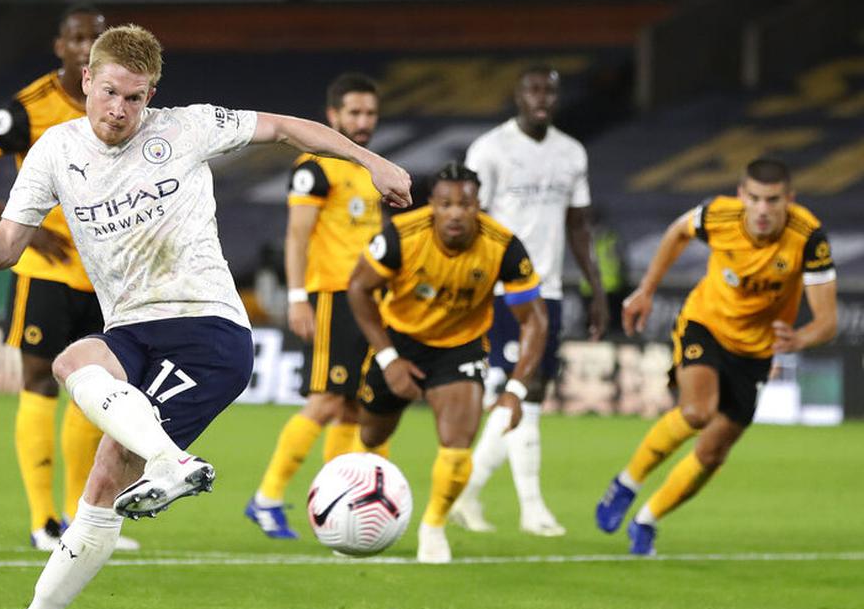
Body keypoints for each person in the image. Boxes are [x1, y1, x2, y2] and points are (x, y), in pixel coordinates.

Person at [0, 24, 411, 609]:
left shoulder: (188, 127)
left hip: (209, 333)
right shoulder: (53, 150)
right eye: (111, 93)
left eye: (136, 97)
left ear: (153, 94)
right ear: (87, 81)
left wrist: (370, 160)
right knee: (76, 385)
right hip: (131, 329)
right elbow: (6, 245)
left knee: (100, 451)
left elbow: (290, 128)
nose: (120, 110)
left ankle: (152, 478)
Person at [0, 5, 131, 551]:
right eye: (77, 38)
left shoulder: (125, 107)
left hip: (105, 275)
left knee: (97, 391)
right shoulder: (30, 107)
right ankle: (43, 520)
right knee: (40, 382)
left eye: (97, 37)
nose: (86, 45)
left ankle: (81, 517)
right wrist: (18, 226)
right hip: (44, 272)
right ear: (60, 47)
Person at [595, 158, 837, 555]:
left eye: (772, 200)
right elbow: (677, 232)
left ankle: (646, 520)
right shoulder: (718, 215)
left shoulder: (808, 237)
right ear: (742, 195)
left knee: (712, 452)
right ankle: (626, 483)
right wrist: (647, 289)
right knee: (697, 412)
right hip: (705, 325)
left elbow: (826, 321)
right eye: (755, 198)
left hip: (756, 351)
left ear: (788, 200)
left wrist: (800, 338)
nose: (762, 209)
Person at [346, 162, 547, 564]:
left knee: (458, 444)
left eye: (465, 204)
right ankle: (357, 519)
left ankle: (434, 526)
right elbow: (358, 288)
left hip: (461, 346)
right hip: (400, 340)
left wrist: (516, 389)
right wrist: (389, 359)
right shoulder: (402, 235)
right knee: (370, 436)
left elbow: (535, 321)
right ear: (433, 206)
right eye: (446, 204)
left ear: (479, 206)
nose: (455, 213)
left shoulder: (504, 246)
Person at [449, 64, 606, 537]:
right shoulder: (491, 150)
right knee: (522, 390)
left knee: (525, 392)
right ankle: (532, 508)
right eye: (533, 90)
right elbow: (468, 221)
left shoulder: (571, 153)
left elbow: (578, 225)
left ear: (557, 98)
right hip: (502, 290)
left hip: (550, 289)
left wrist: (597, 289)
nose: (541, 98)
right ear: (518, 97)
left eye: (549, 91)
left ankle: (466, 494)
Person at [244, 72, 385, 540]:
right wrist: (298, 297)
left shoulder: (369, 167)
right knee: (325, 401)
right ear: (333, 116)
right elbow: (297, 236)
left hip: (368, 302)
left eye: (369, 113)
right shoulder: (315, 167)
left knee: (352, 409)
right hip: (331, 297)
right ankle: (266, 498)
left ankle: (338, 501)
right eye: (354, 113)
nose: (362, 122)